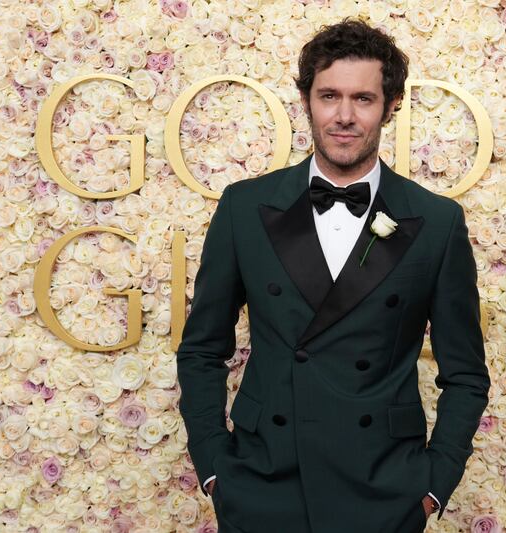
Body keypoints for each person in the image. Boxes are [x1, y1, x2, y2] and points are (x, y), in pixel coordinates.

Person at [176, 18, 490, 533]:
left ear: (392, 106)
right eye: (329, 96)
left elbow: (466, 374)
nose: (344, 116)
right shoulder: (244, 207)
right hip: (261, 483)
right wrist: (215, 469)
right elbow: (202, 349)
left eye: (363, 99)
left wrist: (433, 483)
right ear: (306, 101)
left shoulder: (435, 221)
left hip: (384, 489)